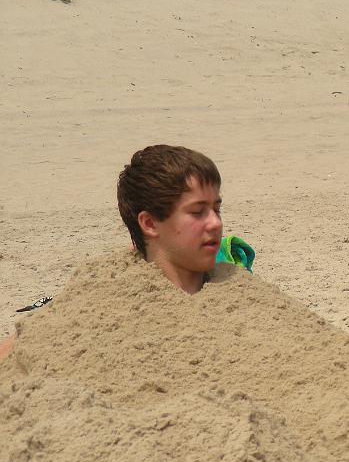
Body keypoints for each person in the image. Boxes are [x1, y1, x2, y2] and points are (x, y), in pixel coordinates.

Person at [0, 144, 224, 361]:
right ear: (150, 223)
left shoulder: (241, 293)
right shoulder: (96, 302)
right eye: (197, 212)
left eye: (217, 209)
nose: (215, 223)